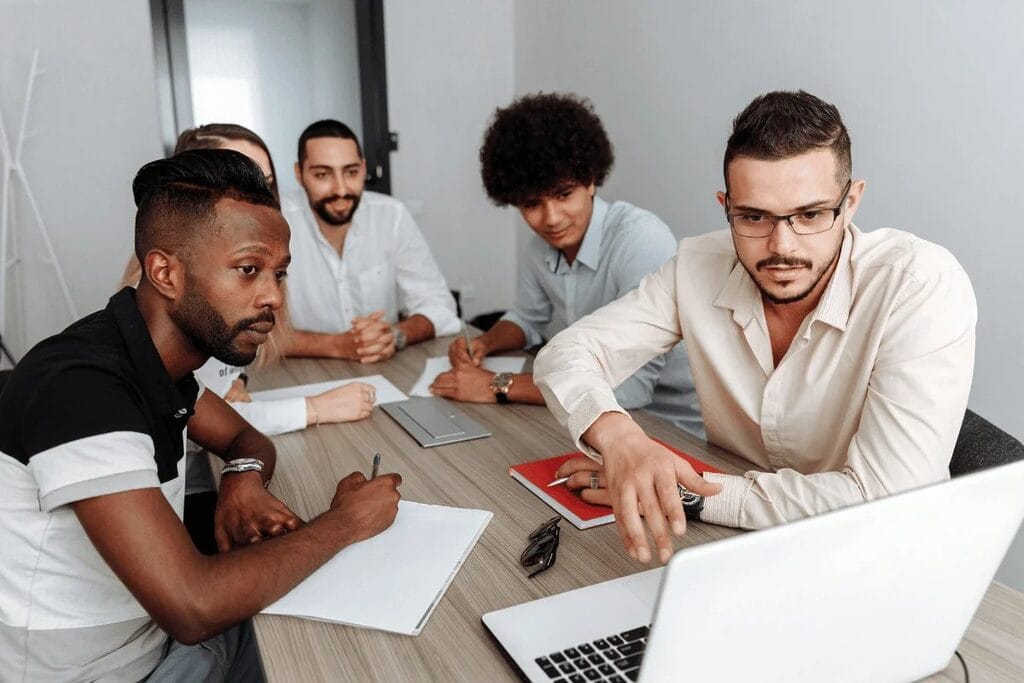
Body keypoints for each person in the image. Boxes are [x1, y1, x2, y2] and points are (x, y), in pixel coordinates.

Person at [0, 149, 402, 680]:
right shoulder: (83, 387)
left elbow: (248, 440)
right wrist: (346, 522)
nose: (273, 297)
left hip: (155, 641)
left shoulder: (157, 364)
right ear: (165, 271)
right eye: (248, 270)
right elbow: (192, 606)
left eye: (279, 274)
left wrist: (241, 480)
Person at [534, 90, 976, 566]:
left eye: (810, 214)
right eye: (753, 217)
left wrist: (688, 492)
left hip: (881, 560)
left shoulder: (919, 286)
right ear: (726, 207)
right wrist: (620, 438)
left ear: (851, 203)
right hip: (734, 554)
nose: (781, 246)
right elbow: (566, 353)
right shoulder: (696, 266)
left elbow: (883, 501)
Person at [118, 123, 376, 554]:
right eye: (238, 181)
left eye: (264, 184)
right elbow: (189, 601)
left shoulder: (191, 337)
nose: (257, 199)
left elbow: (232, 425)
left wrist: (241, 462)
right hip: (186, 508)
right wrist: (314, 411)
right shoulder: (123, 364)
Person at [430, 93, 703, 438]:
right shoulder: (540, 247)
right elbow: (527, 319)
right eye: (532, 204)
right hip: (590, 415)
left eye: (563, 195)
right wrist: (486, 343)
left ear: (591, 181)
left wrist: (496, 385)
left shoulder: (640, 239)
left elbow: (631, 389)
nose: (551, 219)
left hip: (671, 427)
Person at [282, 119, 460, 362]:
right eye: (322, 174)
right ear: (299, 173)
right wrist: (336, 345)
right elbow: (249, 333)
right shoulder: (275, 220)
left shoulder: (392, 215)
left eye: (351, 172)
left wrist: (395, 335)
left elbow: (440, 306)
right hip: (298, 373)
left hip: (381, 367)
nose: (341, 189)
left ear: (364, 169)